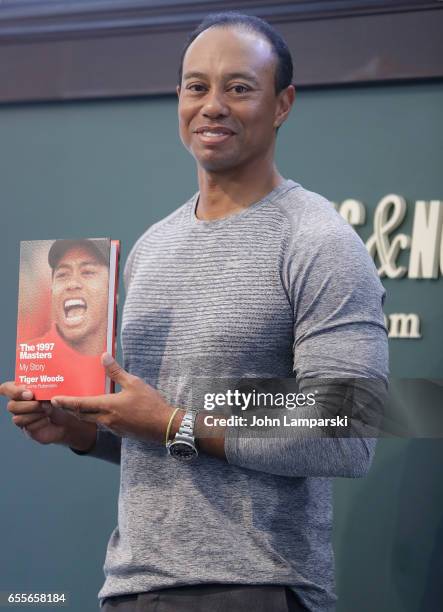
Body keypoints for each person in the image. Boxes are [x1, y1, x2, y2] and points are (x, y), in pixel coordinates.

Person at [1, 12, 389, 612]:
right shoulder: (153, 246)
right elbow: (158, 419)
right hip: (133, 584)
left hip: (257, 586)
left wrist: (174, 423)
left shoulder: (318, 240)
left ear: (282, 104)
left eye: (239, 87)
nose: (212, 105)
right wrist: (85, 431)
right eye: (196, 86)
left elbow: (348, 428)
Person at [15, 239, 111, 397]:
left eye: (87, 272)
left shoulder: (131, 362)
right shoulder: (30, 360)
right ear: (51, 290)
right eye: (62, 275)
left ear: (112, 288)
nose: (72, 284)